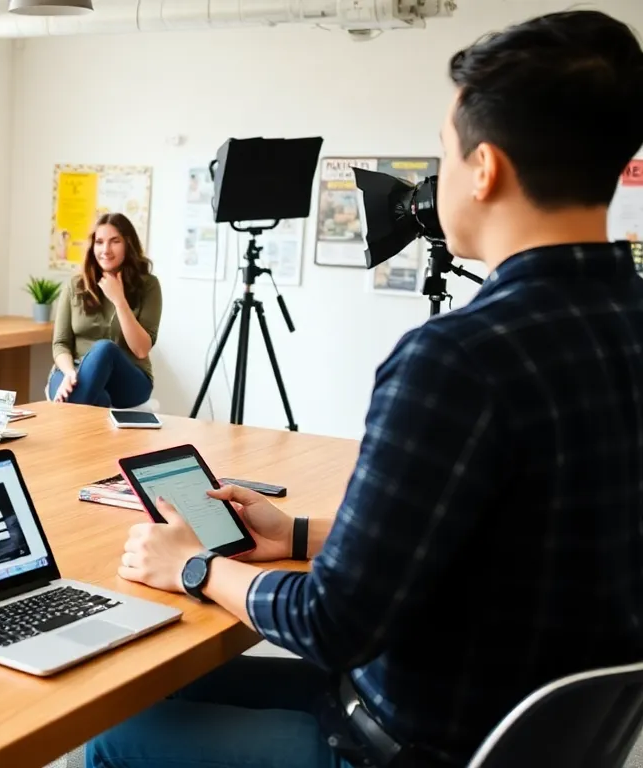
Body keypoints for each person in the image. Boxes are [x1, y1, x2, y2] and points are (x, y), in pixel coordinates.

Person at [91, 10, 643, 768]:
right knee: (161, 690)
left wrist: (195, 566)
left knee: (115, 738)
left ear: (484, 171)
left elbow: (332, 622)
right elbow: (481, 537)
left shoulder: (457, 361)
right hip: (515, 724)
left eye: (442, 155)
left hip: (401, 743)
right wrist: (292, 536)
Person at [50, 213, 162, 408]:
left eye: (114, 241)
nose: (106, 250)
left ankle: (66, 426)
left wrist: (119, 300)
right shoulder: (75, 285)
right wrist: (70, 373)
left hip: (128, 379)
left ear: (128, 243)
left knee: (105, 348)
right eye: (99, 242)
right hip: (73, 371)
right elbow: (60, 344)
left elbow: (141, 349)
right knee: (99, 399)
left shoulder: (149, 286)